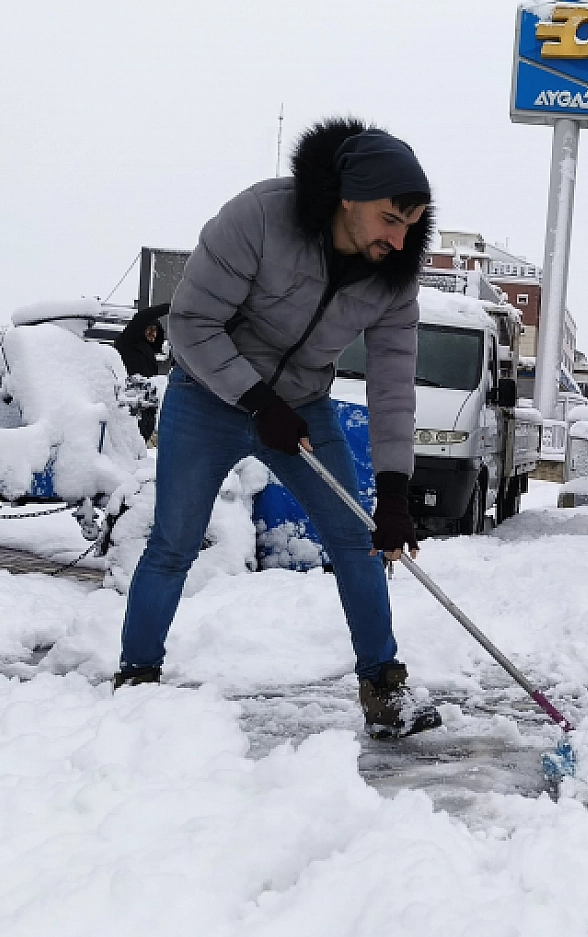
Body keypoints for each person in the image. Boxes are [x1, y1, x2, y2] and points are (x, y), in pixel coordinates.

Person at [113, 117, 443, 739]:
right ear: (348, 198)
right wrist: (257, 399)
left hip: (303, 407)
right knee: (173, 544)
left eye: (413, 223)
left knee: (358, 540)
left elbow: (394, 386)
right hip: (206, 393)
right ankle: (136, 677)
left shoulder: (392, 282)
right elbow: (191, 322)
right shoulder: (260, 217)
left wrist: (395, 490)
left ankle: (384, 688)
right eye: (389, 220)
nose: (400, 241)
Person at [115, 303, 171, 378]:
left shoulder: (149, 352)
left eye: (155, 330)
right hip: (128, 387)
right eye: (149, 328)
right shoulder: (129, 341)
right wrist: (171, 307)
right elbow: (141, 318)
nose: (152, 333)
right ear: (141, 329)